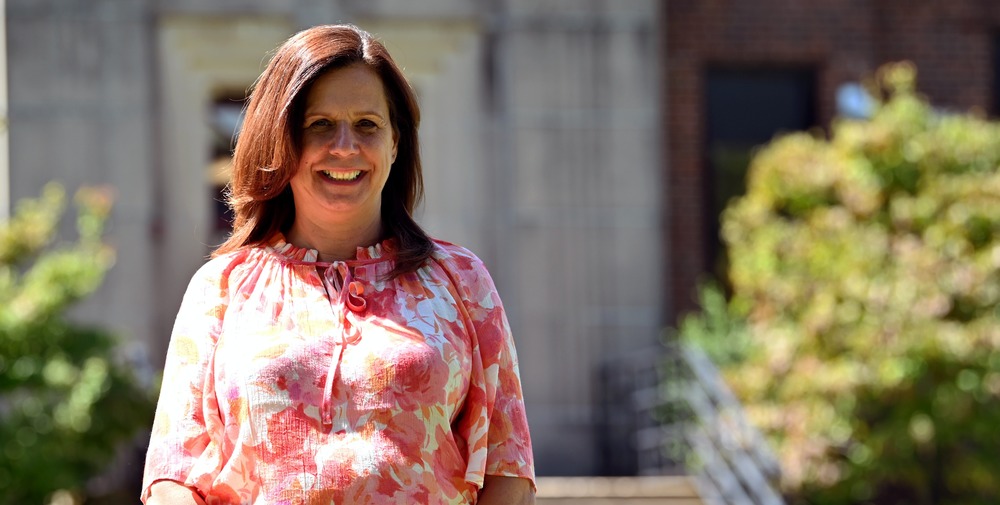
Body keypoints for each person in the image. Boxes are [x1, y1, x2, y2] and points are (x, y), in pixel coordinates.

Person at [141, 24, 535, 505]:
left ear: (395, 143)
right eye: (319, 125)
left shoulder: (461, 280)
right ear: (279, 141)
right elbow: (173, 476)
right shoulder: (221, 288)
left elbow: (508, 468)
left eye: (367, 124)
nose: (345, 146)